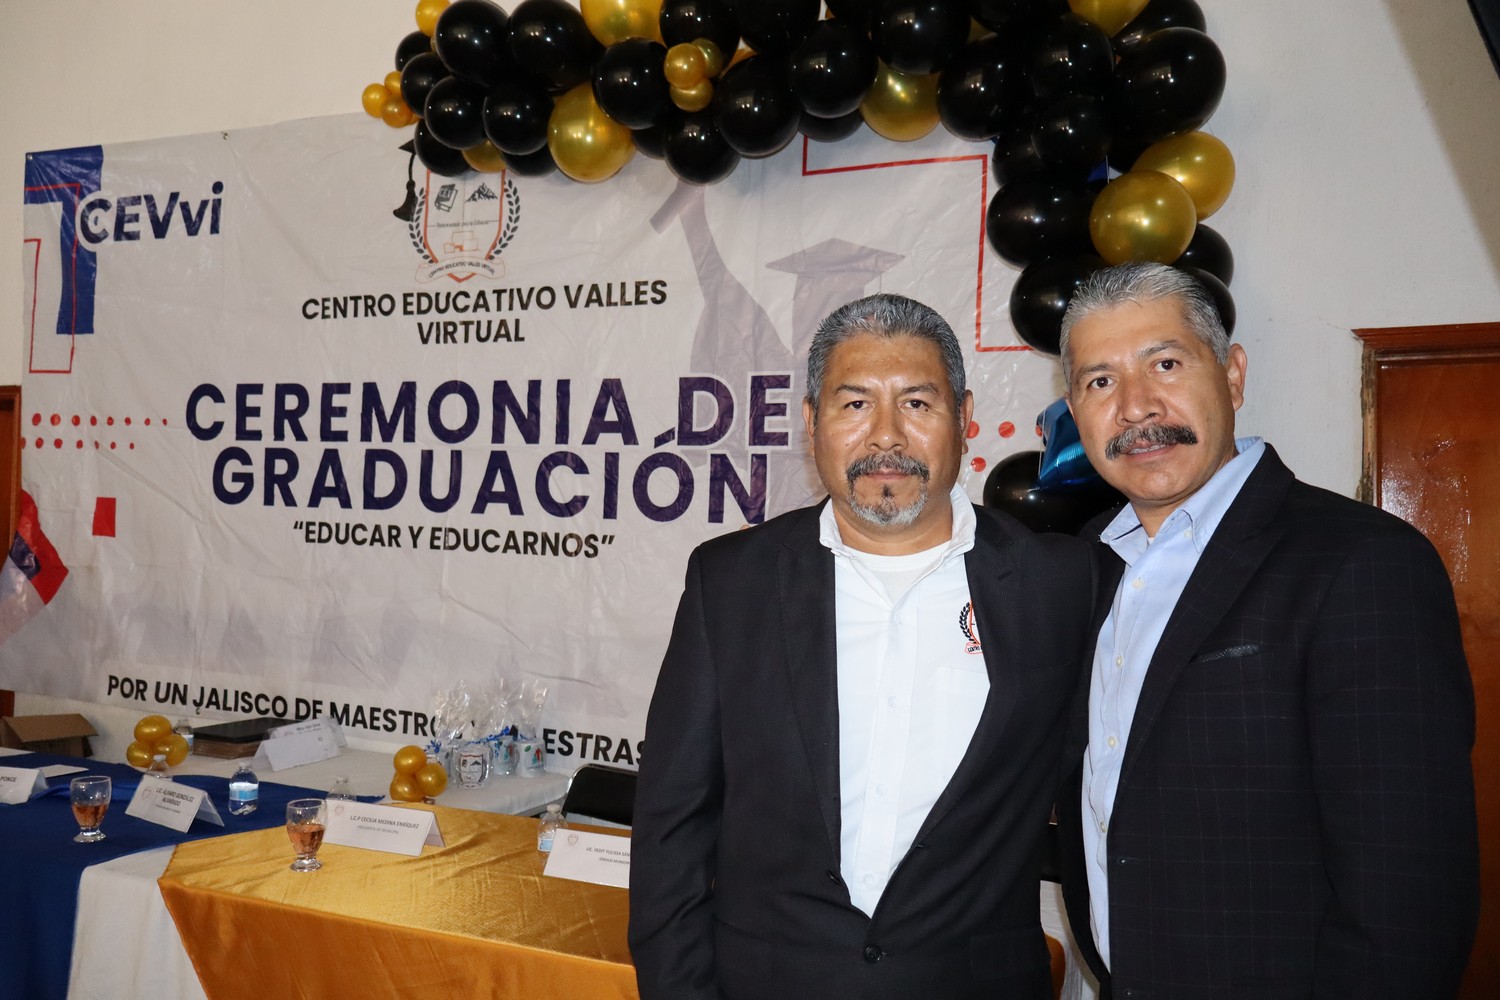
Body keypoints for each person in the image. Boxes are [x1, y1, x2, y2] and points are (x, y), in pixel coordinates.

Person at [629, 293, 1098, 1000]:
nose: (886, 436)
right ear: (811, 422)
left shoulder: (1062, 585)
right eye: (854, 404)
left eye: (917, 403)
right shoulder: (731, 581)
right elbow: (672, 828)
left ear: (964, 418)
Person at [1054, 262, 1480, 999]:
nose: (1135, 406)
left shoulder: (1360, 561)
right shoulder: (1085, 569)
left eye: (1165, 363)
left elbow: (1409, 894)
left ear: (1233, 375)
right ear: (1074, 410)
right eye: (1100, 381)